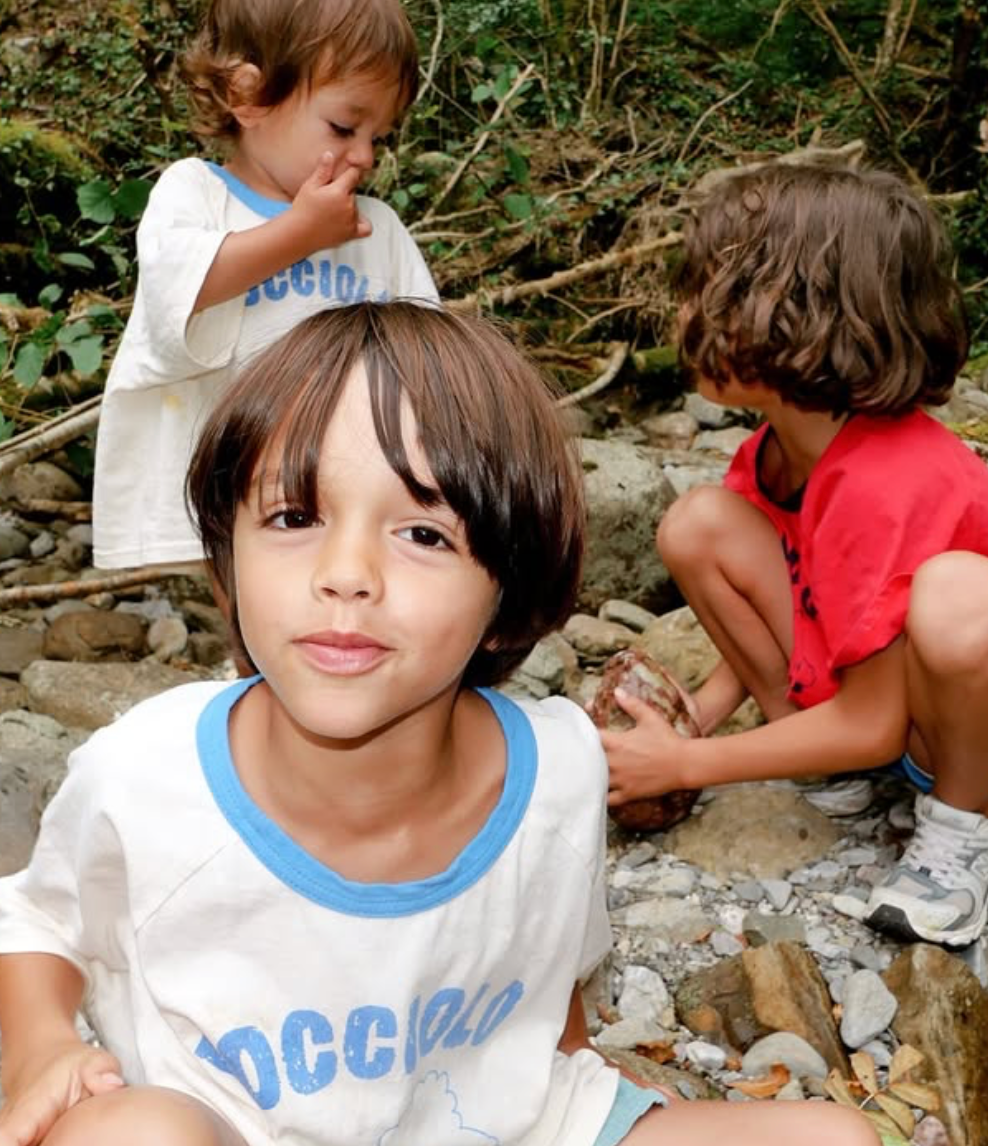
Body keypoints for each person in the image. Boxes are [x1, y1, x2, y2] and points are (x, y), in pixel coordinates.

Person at [0, 303, 875, 1146]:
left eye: (423, 534)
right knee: (129, 1133)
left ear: (508, 598)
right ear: (227, 568)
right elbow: (36, 925)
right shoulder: (149, 776)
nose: (347, 575)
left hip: (501, 1124)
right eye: (294, 517)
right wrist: (41, 1047)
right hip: (230, 1128)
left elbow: (548, 969)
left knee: (836, 1135)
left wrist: (581, 1068)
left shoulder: (561, 768)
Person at [604, 162, 988, 950]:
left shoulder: (887, 479)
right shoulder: (781, 451)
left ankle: (957, 835)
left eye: (711, 292)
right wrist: (692, 724)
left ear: (805, 319)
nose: (684, 315)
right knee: (699, 524)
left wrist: (681, 768)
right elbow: (806, 589)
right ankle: (823, 759)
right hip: (890, 713)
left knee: (953, 596)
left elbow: (877, 722)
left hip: (942, 727)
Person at [92, 0, 437, 571]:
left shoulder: (380, 232)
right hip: (228, 480)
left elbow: (431, 353)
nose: (366, 155)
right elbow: (178, 290)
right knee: (251, 609)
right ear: (247, 96)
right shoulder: (196, 193)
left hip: (355, 480)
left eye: (380, 135)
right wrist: (299, 233)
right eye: (345, 127)